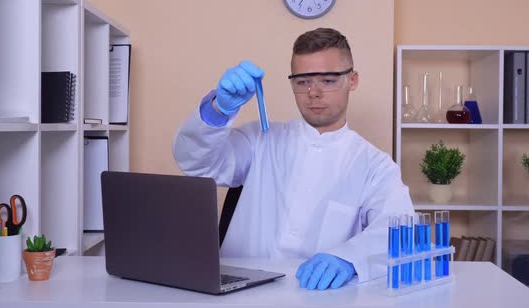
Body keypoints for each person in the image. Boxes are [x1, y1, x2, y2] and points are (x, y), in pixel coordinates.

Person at [172, 28, 414, 290]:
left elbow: (400, 231)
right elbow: (195, 163)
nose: (314, 92)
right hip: (240, 294)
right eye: (303, 81)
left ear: (352, 81)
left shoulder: (375, 165)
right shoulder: (259, 139)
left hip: (319, 297)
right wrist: (218, 109)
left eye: (329, 80)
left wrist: (350, 258)